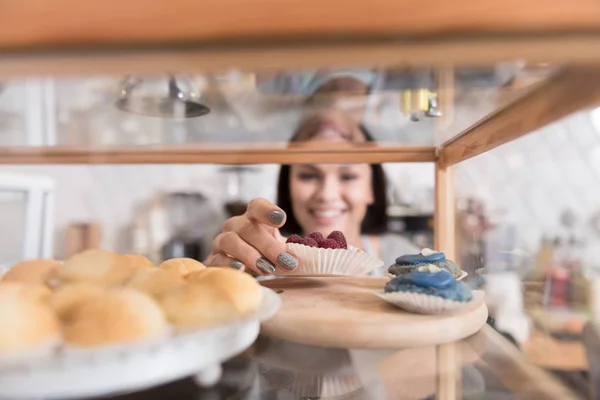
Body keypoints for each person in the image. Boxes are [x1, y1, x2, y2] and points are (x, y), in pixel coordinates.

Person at [205, 107, 418, 276]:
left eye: (348, 176)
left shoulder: (403, 258)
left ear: (372, 188)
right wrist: (217, 277)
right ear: (288, 186)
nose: (326, 194)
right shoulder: (264, 257)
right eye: (308, 176)